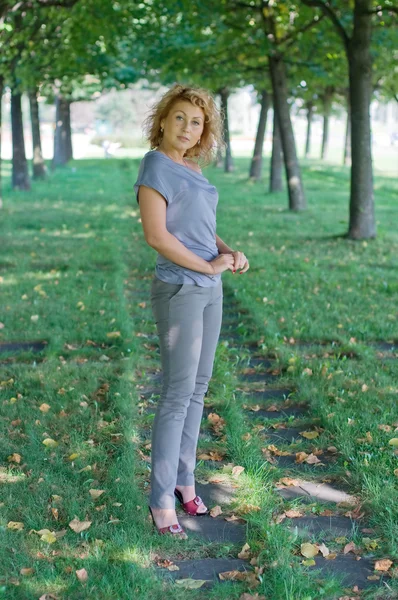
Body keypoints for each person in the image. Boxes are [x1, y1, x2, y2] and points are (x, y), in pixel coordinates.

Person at [134, 83, 249, 538]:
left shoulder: (191, 168)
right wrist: (206, 265)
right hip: (180, 288)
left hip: (210, 285)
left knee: (198, 389)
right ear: (162, 121)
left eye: (196, 121)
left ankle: (185, 481)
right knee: (178, 394)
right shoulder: (156, 166)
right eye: (179, 117)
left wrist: (227, 252)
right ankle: (160, 500)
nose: (187, 127)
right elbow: (157, 237)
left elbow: (203, 228)